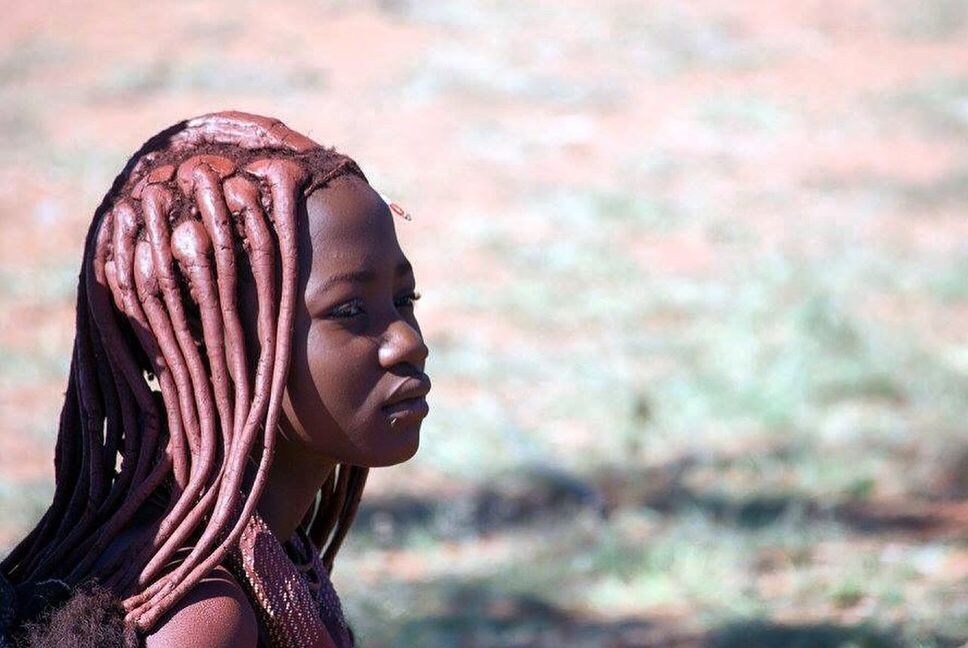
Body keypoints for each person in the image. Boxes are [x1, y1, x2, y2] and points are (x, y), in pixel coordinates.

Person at [0, 111, 431, 647]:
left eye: (402, 299)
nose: (409, 343)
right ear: (217, 343)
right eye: (348, 311)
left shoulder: (275, 557)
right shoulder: (204, 618)